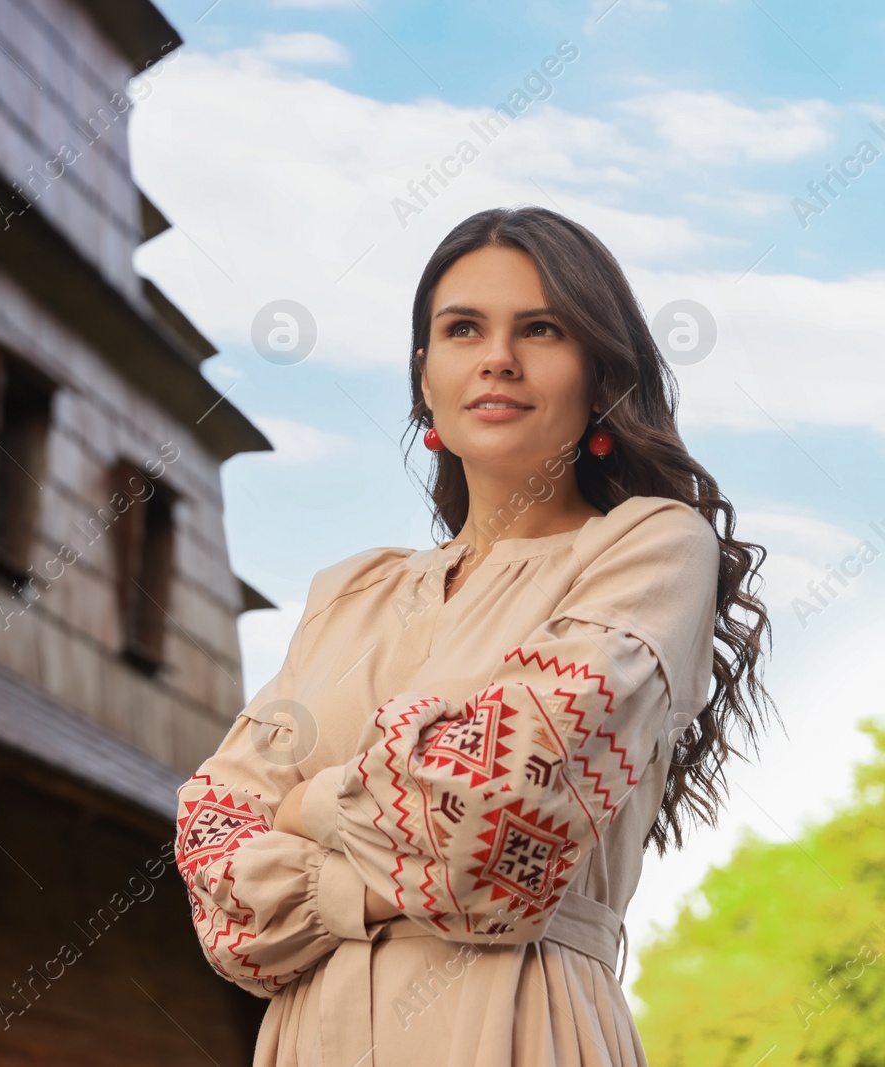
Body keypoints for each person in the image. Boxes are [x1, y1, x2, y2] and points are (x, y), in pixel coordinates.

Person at [174, 206, 777, 1066]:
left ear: (599, 371)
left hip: (517, 1028)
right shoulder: (349, 592)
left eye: (541, 328)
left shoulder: (648, 546)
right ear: (426, 376)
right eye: (463, 329)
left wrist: (304, 807)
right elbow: (214, 866)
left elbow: (493, 818)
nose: (498, 356)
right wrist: (407, 795)